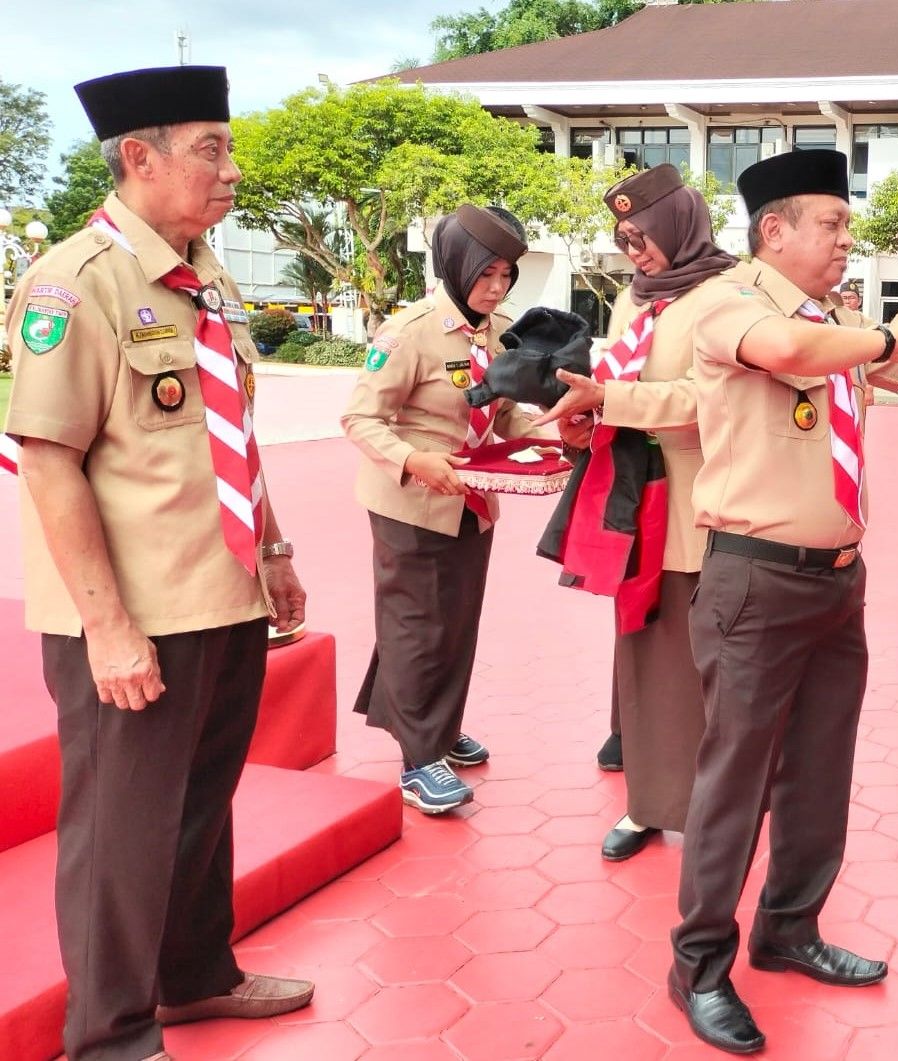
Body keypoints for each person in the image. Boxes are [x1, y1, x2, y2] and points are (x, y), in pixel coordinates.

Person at [3, 65, 314, 1060]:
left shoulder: (205, 273)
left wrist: (272, 547)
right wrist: (106, 623)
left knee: (199, 806)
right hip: (134, 612)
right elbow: (47, 459)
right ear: (139, 158)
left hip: (219, 592)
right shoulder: (73, 282)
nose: (231, 170)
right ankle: (110, 1033)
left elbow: (230, 431)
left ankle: (193, 975)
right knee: (120, 833)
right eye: (210, 149)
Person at [665, 149, 898, 1055]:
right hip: (753, 581)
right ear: (775, 231)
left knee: (818, 769)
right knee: (733, 781)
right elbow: (792, 353)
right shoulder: (734, 306)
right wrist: (890, 338)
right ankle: (698, 963)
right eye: (833, 225)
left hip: (837, 581)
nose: (848, 241)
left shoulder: (835, 320)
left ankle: (789, 928)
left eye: (848, 225)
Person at [341, 204, 588, 814]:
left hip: (472, 500)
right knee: (416, 626)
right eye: (487, 275)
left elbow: (501, 411)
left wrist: (552, 433)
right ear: (455, 266)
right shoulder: (410, 332)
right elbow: (359, 417)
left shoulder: (495, 330)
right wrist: (412, 460)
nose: (497, 288)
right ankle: (418, 760)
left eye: (507, 276)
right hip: (412, 503)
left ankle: (440, 727)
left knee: (453, 622)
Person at [532, 163, 739, 861]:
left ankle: (720, 809)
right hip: (635, 503)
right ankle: (649, 804)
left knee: (709, 667)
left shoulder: (725, 296)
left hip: (704, 506)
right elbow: (615, 383)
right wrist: (586, 420)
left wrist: (611, 402)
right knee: (644, 664)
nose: (636, 252)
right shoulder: (634, 300)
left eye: (644, 235)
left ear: (681, 224)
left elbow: (708, 398)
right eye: (624, 240)